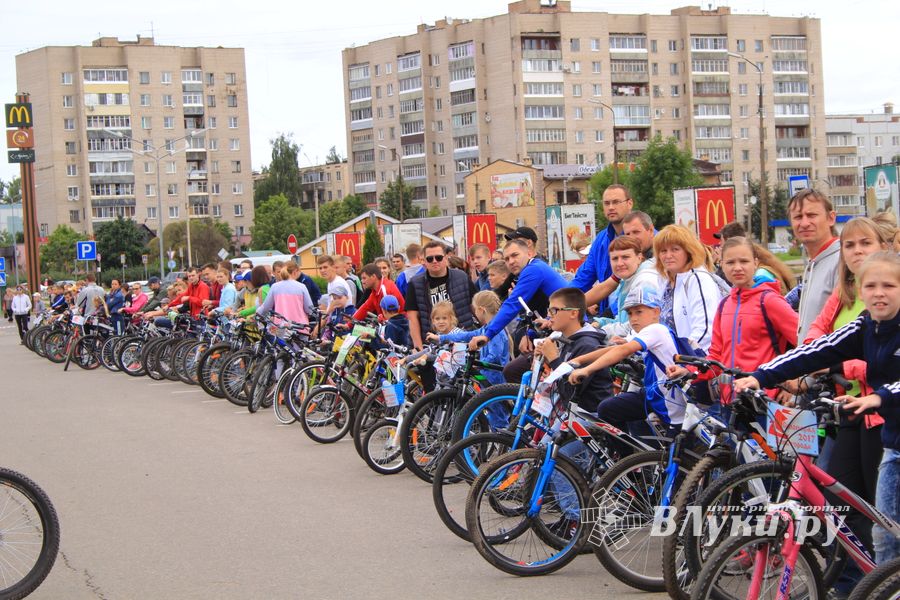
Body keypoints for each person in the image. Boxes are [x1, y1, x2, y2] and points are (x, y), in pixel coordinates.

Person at [735, 251, 900, 564]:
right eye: (871, 286)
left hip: (888, 432)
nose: (879, 293)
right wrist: (760, 376)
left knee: (888, 532)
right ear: (860, 291)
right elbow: (815, 351)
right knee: (885, 535)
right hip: (895, 443)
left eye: (889, 286)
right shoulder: (866, 326)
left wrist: (879, 397)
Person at [802, 217, 890, 594]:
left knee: (879, 510)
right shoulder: (844, 292)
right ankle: (857, 583)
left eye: (865, 243)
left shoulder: (888, 292)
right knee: (839, 502)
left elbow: (883, 362)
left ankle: (882, 582)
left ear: (883, 247)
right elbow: (815, 335)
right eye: (849, 245)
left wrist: (841, 365)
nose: (856, 251)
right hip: (847, 408)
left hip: (882, 415)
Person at [667, 236, 799, 405]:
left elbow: (805, 342)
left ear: (755, 263)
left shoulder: (769, 301)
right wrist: (688, 371)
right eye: (730, 262)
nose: (737, 268)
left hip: (765, 401)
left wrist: (794, 382)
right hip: (731, 403)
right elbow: (716, 356)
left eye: (744, 261)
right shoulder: (724, 305)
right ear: (721, 264)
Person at [569, 286, 686, 431]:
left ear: (656, 312)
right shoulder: (644, 333)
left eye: (639, 312)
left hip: (668, 400)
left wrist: (587, 370)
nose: (633, 318)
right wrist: (578, 360)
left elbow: (623, 350)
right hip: (654, 393)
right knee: (609, 409)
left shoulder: (656, 329)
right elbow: (614, 348)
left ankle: (633, 447)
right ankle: (635, 446)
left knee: (610, 411)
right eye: (630, 313)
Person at [469, 239, 568, 382]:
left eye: (515, 255)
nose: (511, 261)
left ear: (529, 253)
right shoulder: (530, 270)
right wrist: (529, 333)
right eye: (507, 259)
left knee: (513, 371)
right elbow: (531, 311)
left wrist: (487, 335)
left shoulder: (533, 269)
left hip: (567, 333)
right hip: (557, 329)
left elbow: (512, 304)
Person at [535, 288, 613, 415]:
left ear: (573, 313)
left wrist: (554, 359)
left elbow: (570, 393)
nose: (549, 315)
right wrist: (544, 361)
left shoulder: (587, 345)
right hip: (571, 413)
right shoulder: (568, 339)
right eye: (549, 310)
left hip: (589, 417)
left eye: (554, 310)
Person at [654, 225, 727, 353]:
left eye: (675, 249)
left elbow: (705, 330)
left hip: (695, 360)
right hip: (671, 360)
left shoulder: (698, 279)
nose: (668, 255)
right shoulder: (665, 282)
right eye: (663, 251)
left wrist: (684, 358)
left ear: (688, 251)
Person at [570, 184, 635, 314]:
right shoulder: (601, 240)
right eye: (606, 203)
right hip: (606, 317)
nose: (611, 207)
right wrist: (561, 303)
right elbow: (582, 279)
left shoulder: (641, 236)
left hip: (631, 314)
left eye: (616, 202)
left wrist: (610, 313)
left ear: (629, 203)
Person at [790, 189, 841, 341]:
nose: (805, 223)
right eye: (798, 217)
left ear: (831, 218)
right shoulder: (813, 264)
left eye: (812, 215)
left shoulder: (842, 261)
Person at [405, 241, 476, 349]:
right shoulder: (415, 283)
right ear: (424, 261)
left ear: (446, 258)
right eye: (430, 259)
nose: (434, 261)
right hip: (430, 345)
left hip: (462, 343)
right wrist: (418, 348)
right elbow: (412, 318)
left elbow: (475, 308)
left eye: (439, 258)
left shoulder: (462, 277)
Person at [591, 236, 662, 339]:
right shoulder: (627, 279)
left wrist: (600, 331)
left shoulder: (644, 282)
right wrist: (600, 323)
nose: (620, 263)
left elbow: (637, 325)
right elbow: (622, 321)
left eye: (625, 257)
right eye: (615, 258)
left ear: (639, 258)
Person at [256, 261, 315, 326]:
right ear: (295, 272)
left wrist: (258, 313)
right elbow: (309, 309)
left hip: (281, 326)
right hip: (299, 326)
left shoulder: (275, 287)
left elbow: (266, 307)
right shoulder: (301, 287)